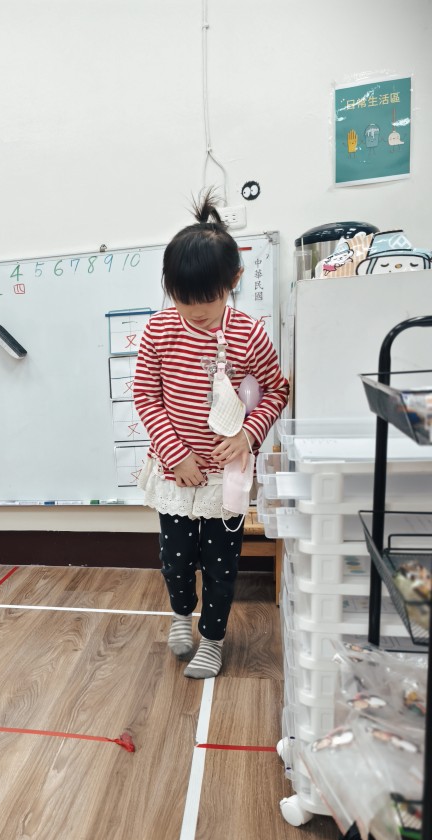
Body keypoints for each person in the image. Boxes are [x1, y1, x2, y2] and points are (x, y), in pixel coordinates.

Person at [133, 190, 290, 679]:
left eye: (208, 300)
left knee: (222, 567)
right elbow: (146, 397)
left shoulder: (249, 334)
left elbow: (276, 390)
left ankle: (214, 639)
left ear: (233, 281)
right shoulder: (159, 331)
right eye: (184, 300)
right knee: (176, 561)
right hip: (176, 475)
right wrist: (174, 455)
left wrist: (249, 436)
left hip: (227, 479)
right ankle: (181, 617)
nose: (195, 311)